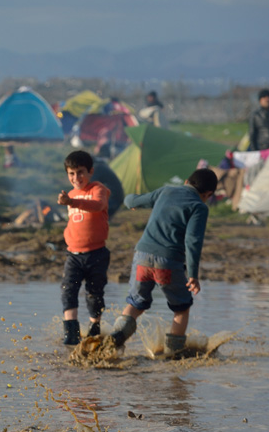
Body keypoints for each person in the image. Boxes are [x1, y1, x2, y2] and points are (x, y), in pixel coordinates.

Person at [108, 168, 218, 358]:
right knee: (182, 308)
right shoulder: (199, 207)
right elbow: (193, 242)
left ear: (186, 182)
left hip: (142, 256)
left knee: (136, 303)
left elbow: (131, 201)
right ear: (208, 194)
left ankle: (113, 340)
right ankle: (172, 357)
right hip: (168, 262)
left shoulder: (166, 191)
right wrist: (193, 274)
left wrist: (131, 203)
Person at [57, 150, 111, 345]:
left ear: (90, 172)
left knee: (94, 294)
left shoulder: (98, 189)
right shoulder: (70, 195)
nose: (76, 177)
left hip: (96, 254)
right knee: (68, 290)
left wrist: (72, 201)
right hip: (73, 255)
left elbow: (97, 205)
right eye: (71, 173)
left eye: (80, 172)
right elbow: (75, 222)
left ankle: (94, 325)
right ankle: (71, 334)